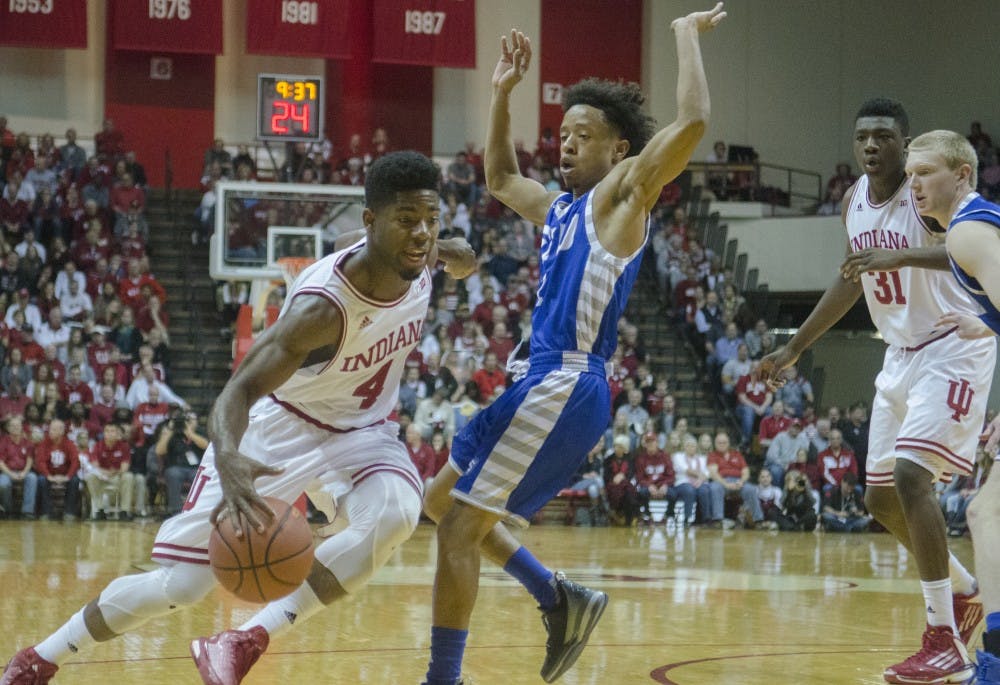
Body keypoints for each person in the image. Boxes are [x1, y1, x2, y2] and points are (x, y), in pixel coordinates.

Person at [0, 151, 478, 685]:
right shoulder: (321, 310)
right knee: (182, 585)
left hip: (363, 430)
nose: (422, 234)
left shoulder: (423, 254)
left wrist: (454, 252)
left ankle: (242, 640)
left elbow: (444, 250)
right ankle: (39, 657)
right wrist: (228, 456)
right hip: (280, 426)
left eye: (431, 220)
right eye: (408, 221)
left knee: (395, 515)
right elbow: (239, 390)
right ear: (370, 222)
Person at [419, 8, 725, 685]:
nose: (565, 146)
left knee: (456, 533)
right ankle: (559, 596)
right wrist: (501, 91)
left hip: (567, 382)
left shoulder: (621, 199)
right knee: (438, 502)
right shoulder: (560, 207)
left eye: (583, 136)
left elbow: (694, 124)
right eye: (561, 134)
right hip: (536, 383)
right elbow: (500, 178)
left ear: (619, 152)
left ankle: (445, 678)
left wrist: (682, 37)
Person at [757, 100, 988, 685]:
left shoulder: (926, 195)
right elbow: (851, 275)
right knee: (879, 501)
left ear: (905, 143)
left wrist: (900, 253)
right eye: (862, 137)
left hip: (952, 345)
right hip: (900, 352)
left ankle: (944, 641)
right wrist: (796, 346)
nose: (871, 146)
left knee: (913, 478)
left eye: (884, 136)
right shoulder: (853, 200)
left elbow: (970, 245)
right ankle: (963, 591)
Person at [903, 128, 1000, 684]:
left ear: (962, 174)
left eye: (926, 173)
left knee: (988, 513)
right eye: (911, 175)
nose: (914, 185)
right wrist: (986, 322)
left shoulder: (965, 235)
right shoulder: (977, 224)